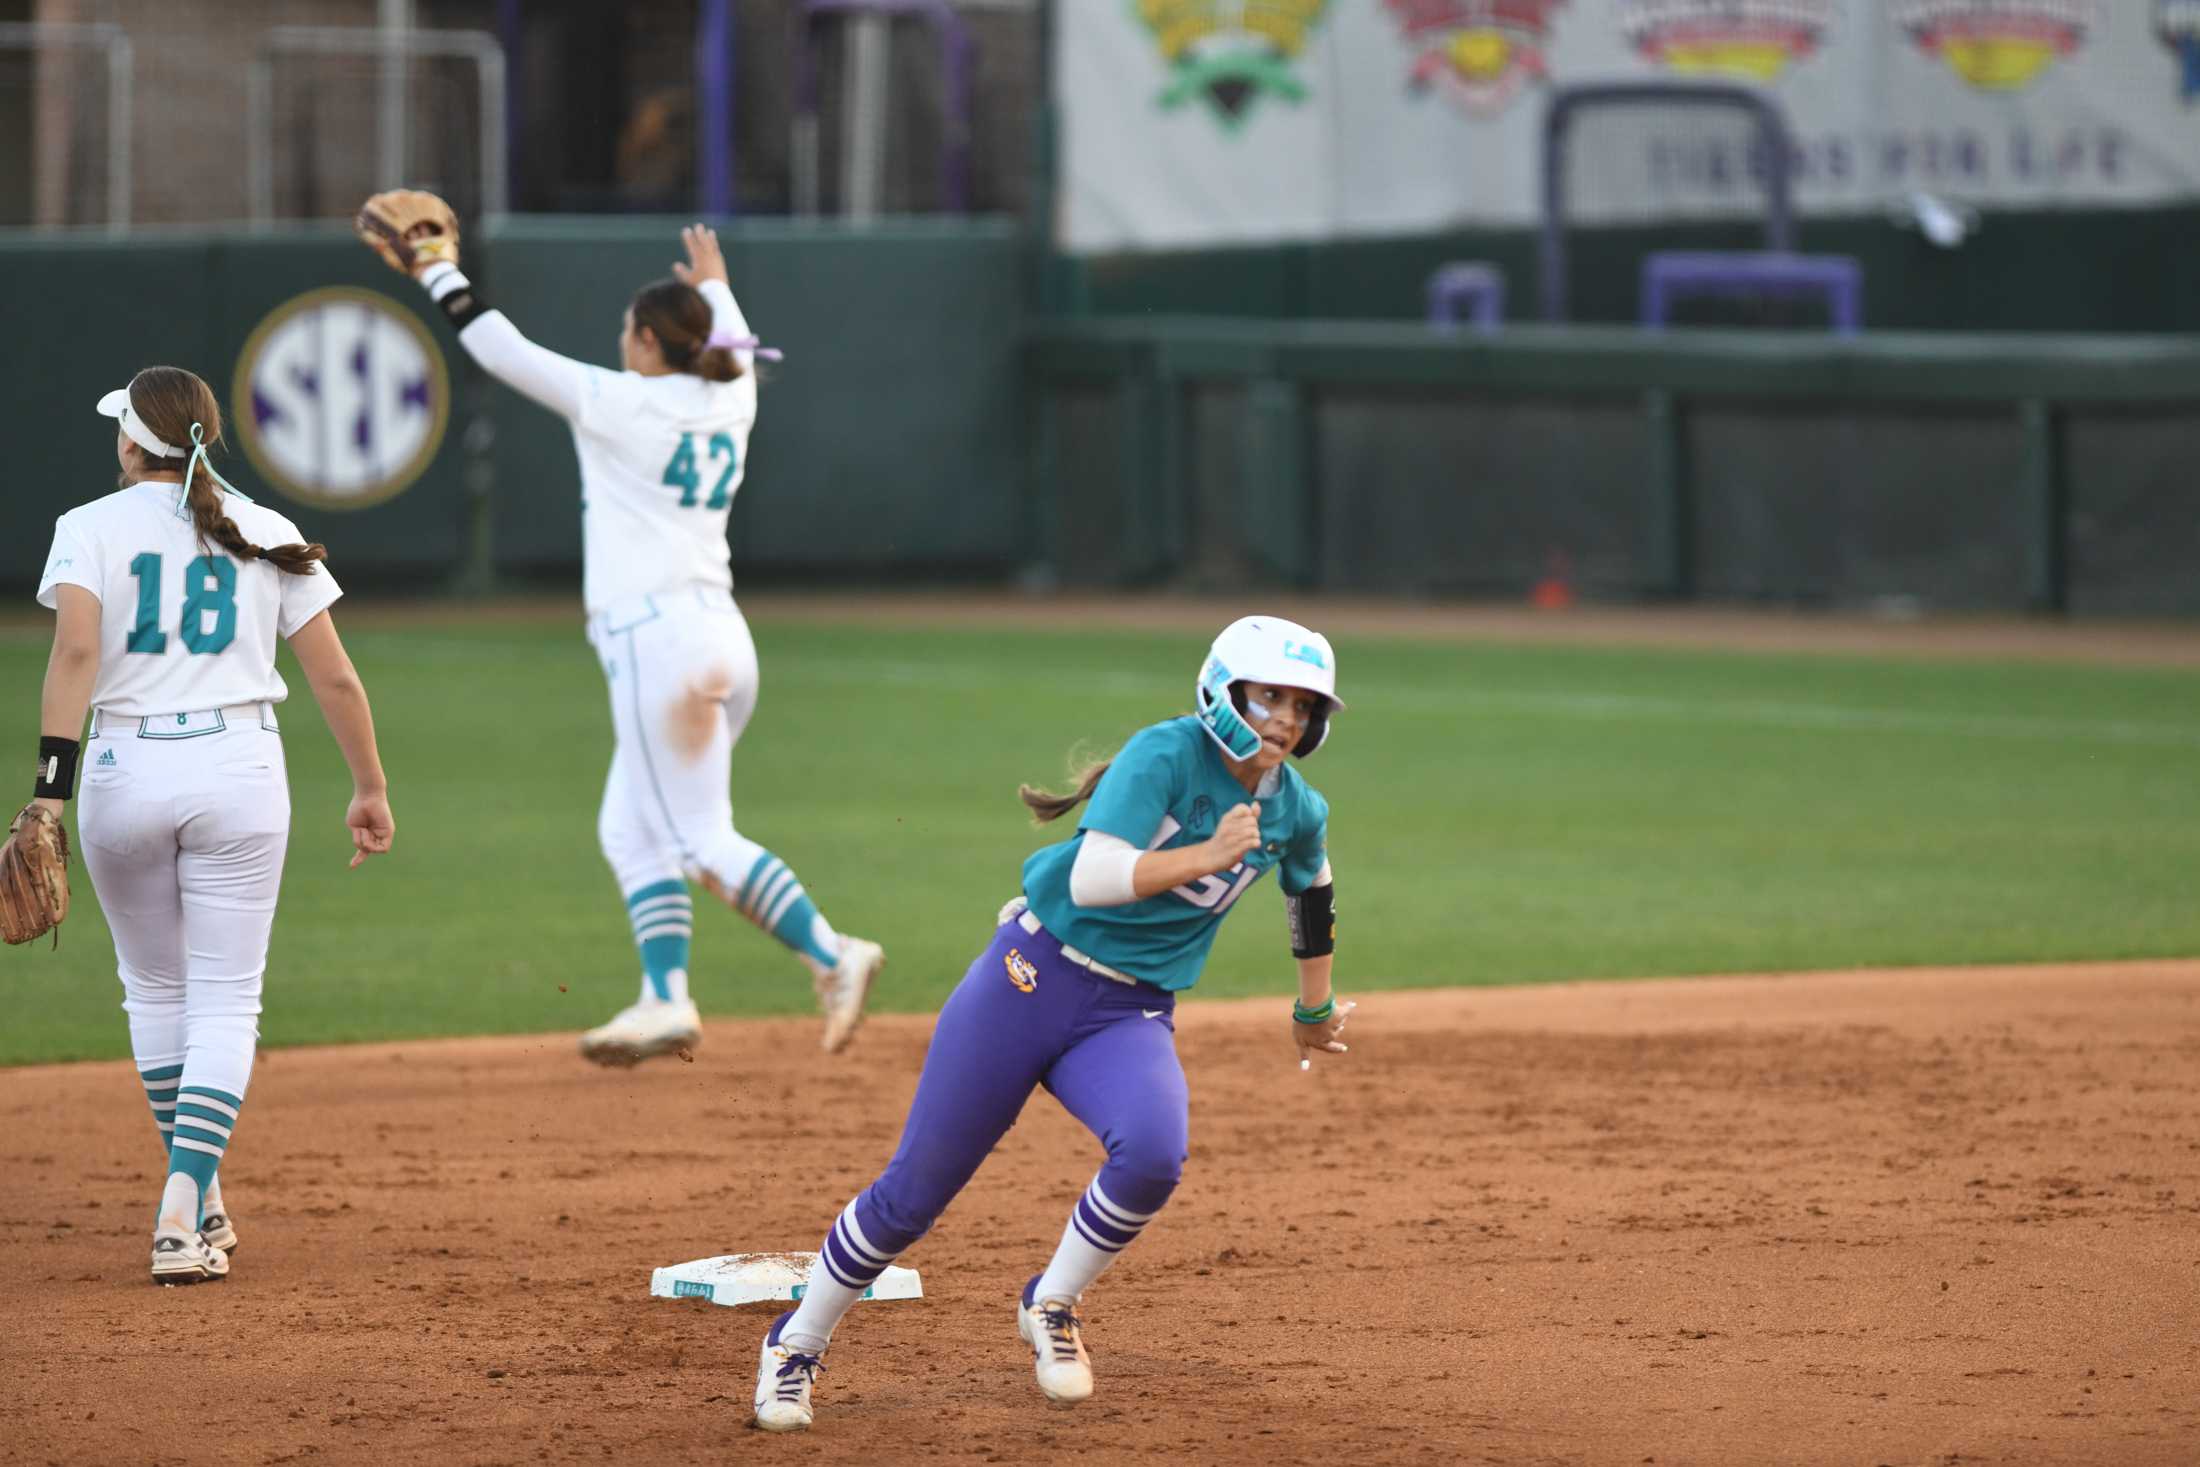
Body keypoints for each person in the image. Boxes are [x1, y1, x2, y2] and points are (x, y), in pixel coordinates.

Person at [748, 615, 1354, 1431]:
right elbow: (1100, 875)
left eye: (1303, 705)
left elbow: (1311, 887)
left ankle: (1052, 1302)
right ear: (1223, 690)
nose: (1285, 717)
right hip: (1027, 978)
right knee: (914, 1195)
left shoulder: (1294, 806)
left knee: (1154, 1151)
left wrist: (1312, 1005)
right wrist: (1206, 854)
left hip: (1129, 1010)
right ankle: (797, 1343)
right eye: (1269, 695)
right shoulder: (1166, 754)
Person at [357, 207, 882, 1064]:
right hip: (722, 637)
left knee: (697, 837)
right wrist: (713, 281)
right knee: (630, 825)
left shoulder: (619, 402)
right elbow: (737, 340)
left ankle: (831, 952)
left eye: (627, 332)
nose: (620, 343)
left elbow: (499, 349)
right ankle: (665, 996)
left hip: (658, 644)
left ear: (645, 338)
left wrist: (436, 273)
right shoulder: (732, 392)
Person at [33, 366, 396, 1285]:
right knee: (227, 999)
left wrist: (48, 792)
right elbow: (338, 679)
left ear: (130, 443)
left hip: (121, 768)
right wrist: (369, 788)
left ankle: (195, 1195)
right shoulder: (265, 527)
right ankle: (186, 1200)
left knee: (155, 992)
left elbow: (75, 653)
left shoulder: (87, 527)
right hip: (239, 769)